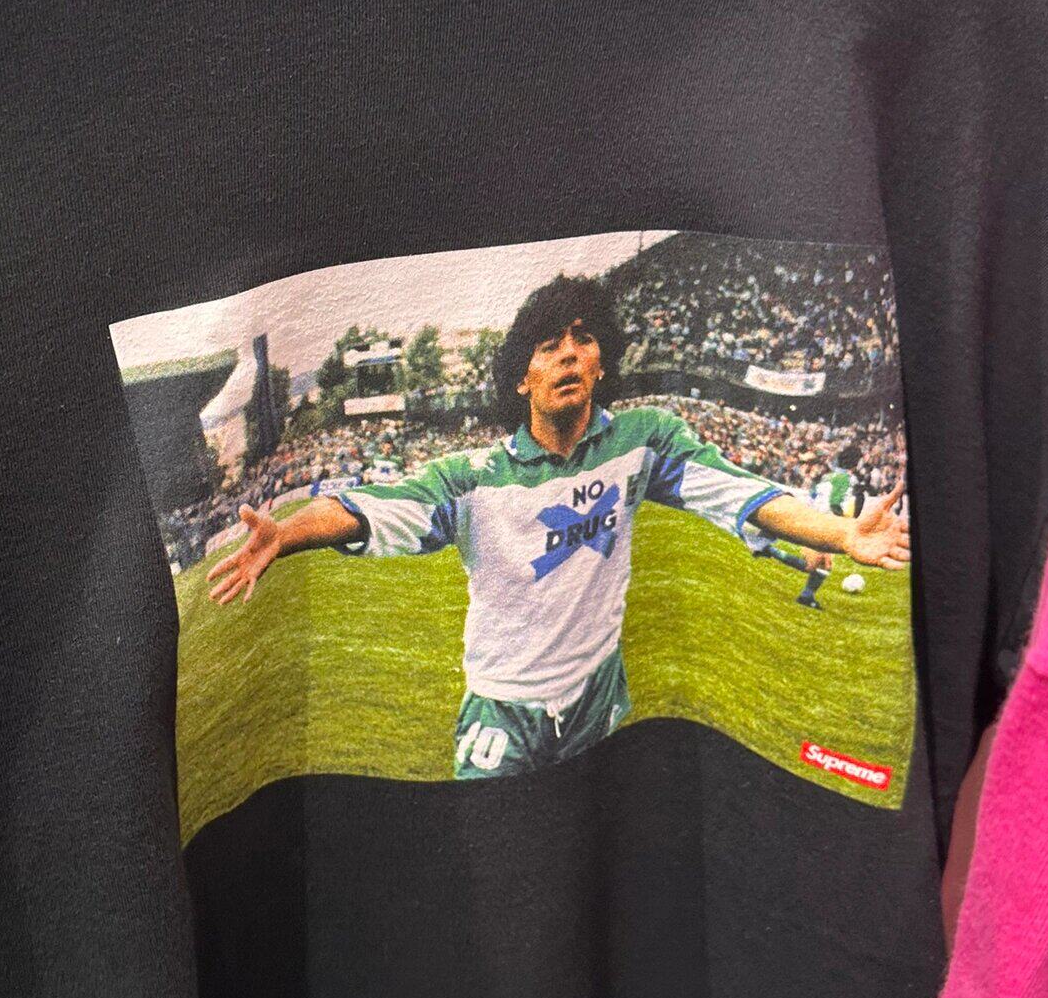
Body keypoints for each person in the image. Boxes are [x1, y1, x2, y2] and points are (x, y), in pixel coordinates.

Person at [207, 273, 909, 782]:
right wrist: (287, 534)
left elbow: (744, 495)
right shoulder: (472, 477)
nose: (570, 353)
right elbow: (373, 507)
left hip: (601, 693)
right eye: (549, 345)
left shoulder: (645, 441)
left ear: (602, 363)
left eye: (584, 339)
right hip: (503, 707)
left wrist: (840, 534)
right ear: (522, 378)